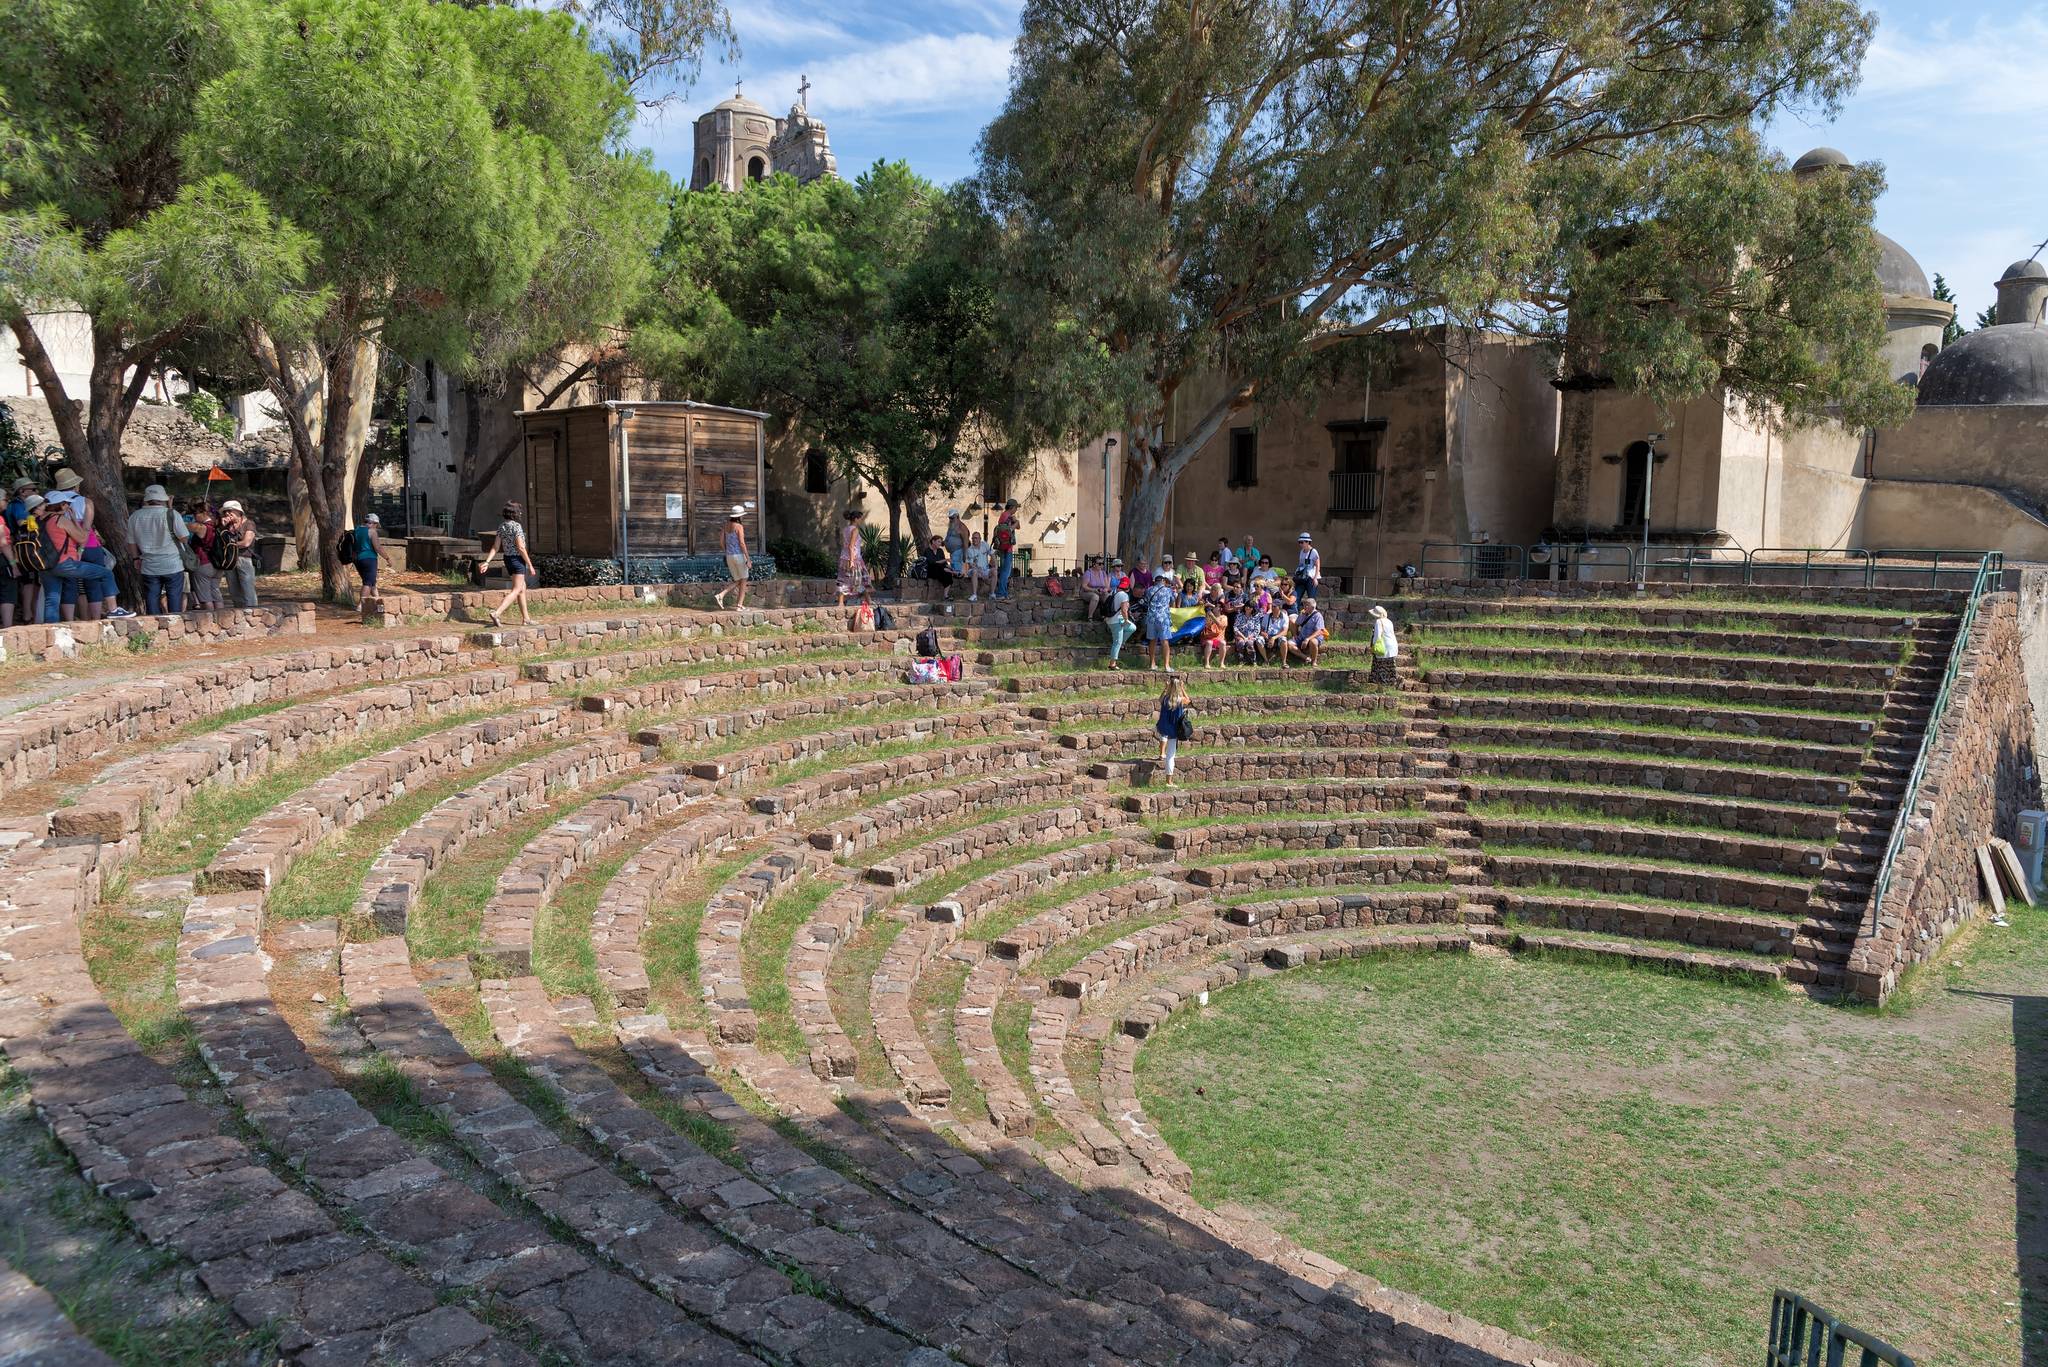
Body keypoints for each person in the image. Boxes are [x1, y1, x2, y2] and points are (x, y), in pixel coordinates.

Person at [46, 469, 127, 618]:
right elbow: (87, 528)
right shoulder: (85, 501)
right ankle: (96, 618)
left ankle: (69, 619)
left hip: (63, 549)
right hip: (88, 546)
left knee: (69, 585)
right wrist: (81, 549)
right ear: (76, 485)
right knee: (94, 582)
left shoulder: (53, 503)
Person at [39, 492, 117, 621]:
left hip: (46, 565)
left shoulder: (39, 519)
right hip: (65, 563)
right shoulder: (60, 519)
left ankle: (51, 630)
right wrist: (74, 520)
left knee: (52, 600)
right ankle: (114, 610)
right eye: (67, 504)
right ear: (61, 505)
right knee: (106, 574)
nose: (68, 506)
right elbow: (82, 538)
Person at [127, 484, 190, 615]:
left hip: (149, 564)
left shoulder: (135, 516)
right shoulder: (172, 514)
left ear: (147, 499)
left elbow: (131, 542)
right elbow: (184, 538)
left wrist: (135, 558)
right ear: (164, 498)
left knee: (151, 596)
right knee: (174, 596)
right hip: (172, 564)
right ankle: (175, 623)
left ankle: (153, 624)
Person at [479, 501, 535, 627]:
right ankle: (496, 613)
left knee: (522, 588)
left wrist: (487, 562)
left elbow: (495, 547)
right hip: (517, 560)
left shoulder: (502, 526)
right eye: (519, 511)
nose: (521, 513)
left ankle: (526, 619)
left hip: (508, 559)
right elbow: (521, 547)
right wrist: (530, 564)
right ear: (515, 513)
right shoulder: (517, 527)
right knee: (516, 590)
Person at [213, 499, 258, 609]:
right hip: (229, 560)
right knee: (233, 590)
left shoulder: (248, 524)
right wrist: (223, 527)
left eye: (230, 511)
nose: (228, 514)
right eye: (225, 512)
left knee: (247, 588)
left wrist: (230, 544)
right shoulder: (225, 525)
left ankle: (252, 611)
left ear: (239, 512)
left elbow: (246, 542)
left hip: (244, 559)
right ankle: (238, 611)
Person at [343, 512, 394, 601]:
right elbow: (378, 547)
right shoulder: (372, 532)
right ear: (373, 523)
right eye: (376, 525)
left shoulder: (356, 530)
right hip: (369, 559)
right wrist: (387, 558)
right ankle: (361, 605)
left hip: (358, 560)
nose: (376, 527)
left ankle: (378, 601)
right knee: (368, 583)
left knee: (372, 582)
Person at [1155, 673, 1192, 787]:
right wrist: (1182, 688)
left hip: (1164, 728)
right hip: (1174, 730)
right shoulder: (1180, 700)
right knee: (1171, 755)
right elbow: (1189, 700)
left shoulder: (1165, 699)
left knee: (1167, 747)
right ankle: (1169, 781)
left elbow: (1159, 699)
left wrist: (1165, 688)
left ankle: (1162, 754)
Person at [187, 503, 222, 610]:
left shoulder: (202, 527)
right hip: (218, 564)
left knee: (205, 598)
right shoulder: (218, 526)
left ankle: (210, 622)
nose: (194, 516)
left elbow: (180, 525)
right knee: (216, 596)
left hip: (203, 563)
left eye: (195, 513)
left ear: (205, 513)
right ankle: (221, 619)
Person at [714, 505, 750, 609]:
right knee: (744, 579)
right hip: (739, 556)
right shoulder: (739, 527)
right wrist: (748, 559)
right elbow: (742, 543)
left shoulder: (725, 526)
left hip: (729, 556)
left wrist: (727, 551)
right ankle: (738, 605)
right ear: (739, 516)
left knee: (738, 580)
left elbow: (721, 542)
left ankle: (722, 596)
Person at [1103, 560, 1136, 668]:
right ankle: (1112, 664)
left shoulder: (1114, 591)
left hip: (1112, 618)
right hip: (1116, 621)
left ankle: (1122, 643)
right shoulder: (1124, 596)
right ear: (1127, 587)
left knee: (1132, 628)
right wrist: (1126, 620)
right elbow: (1124, 610)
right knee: (1116, 641)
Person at [1142, 570, 1175, 671]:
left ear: (1154, 581)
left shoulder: (1149, 590)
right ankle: (1166, 666)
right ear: (1163, 581)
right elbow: (1172, 601)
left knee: (1152, 641)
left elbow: (1146, 601)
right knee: (1165, 641)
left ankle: (1152, 664)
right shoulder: (1168, 590)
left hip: (1151, 618)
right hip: (1163, 618)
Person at [1282, 596, 1328, 666]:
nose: (1305, 607)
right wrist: (1301, 615)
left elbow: (1320, 631)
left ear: (1312, 607)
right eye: (1304, 605)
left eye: (1307, 605)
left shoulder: (1318, 616)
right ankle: (1306, 658)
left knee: (1313, 641)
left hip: (1313, 637)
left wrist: (1308, 639)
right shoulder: (1304, 613)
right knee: (1289, 643)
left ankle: (1314, 662)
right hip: (1302, 637)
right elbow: (1297, 623)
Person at [836, 508, 867, 608]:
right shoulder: (855, 530)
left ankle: (868, 600)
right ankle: (841, 603)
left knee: (844, 579)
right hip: (853, 559)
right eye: (860, 518)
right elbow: (851, 546)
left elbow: (845, 544)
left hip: (844, 558)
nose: (861, 520)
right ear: (856, 519)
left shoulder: (846, 529)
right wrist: (852, 561)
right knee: (858, 580)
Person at [920, 534, 957, 612]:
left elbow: (944, 563)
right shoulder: (927, 550)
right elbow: (932, 562)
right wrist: (945, 560)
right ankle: (951, 572)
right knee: (939, 566)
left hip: (941, 570)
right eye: (938, 542)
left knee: (948, 574)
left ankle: (945, 596)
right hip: (931, 570)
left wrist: (950, 567)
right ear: (933, 541)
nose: (940, 544)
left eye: (940, 542)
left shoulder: (940, 551)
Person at [992, 498, 1019, 598]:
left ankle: (1003, 592)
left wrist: (1016, 521)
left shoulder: (1006, 516)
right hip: (1007, 548)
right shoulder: (1006, 516)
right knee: (1005, 571)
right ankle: (1001, 593)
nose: (1016, 510)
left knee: (1004, 570)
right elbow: (1009, 530)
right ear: (1012, 507)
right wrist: (1016, 522)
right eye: (1016, 508)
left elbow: (1018, 526)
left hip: (1003, 548)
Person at [1369, 603, 1400, 684]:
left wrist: (1373, 647)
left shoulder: (1378, 622)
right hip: (1392, 646)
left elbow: (1377, 636)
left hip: (1384, 646)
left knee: (1380, 665)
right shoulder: (1389, 621)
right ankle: (1392, 681)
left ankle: (1381, 682)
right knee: (1390, 666)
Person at [964, 529, 993, 601]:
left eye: (976, 538)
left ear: (980, 539)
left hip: (985, 569)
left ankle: (992, 594)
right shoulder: (969, 550)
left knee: (995, 571)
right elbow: (971, 565)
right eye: (973, 538)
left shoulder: (985, 545)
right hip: (974, 570)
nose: (974, 539)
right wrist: (980, 572)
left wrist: (995, 566)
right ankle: (974, 595)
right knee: (974, 571)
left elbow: (992, 555)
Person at [1295, 531, 1322, 603]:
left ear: (1307, 542)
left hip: (1311, 578)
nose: (1300, 544)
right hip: (1302, 577)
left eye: (1302, 542)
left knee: (1311, 599)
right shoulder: (1301, 551)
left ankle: (1312, 614)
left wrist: (1315, 578)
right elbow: (1300, 564)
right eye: (1299, 542)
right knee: (1296, 597)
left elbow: (1317, 565)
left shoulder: (1313, 551)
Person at [944, 510, 967, 575]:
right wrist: (945, 542)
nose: (950, 519)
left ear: (957, 516)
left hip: (958, 551)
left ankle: (959, 584)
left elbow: (965, 541)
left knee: (957, 571)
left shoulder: (962, 527)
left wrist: (965, 554)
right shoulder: (951, 525)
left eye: (952, 518)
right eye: (949, 518)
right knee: (954, 570)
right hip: (952, 552)